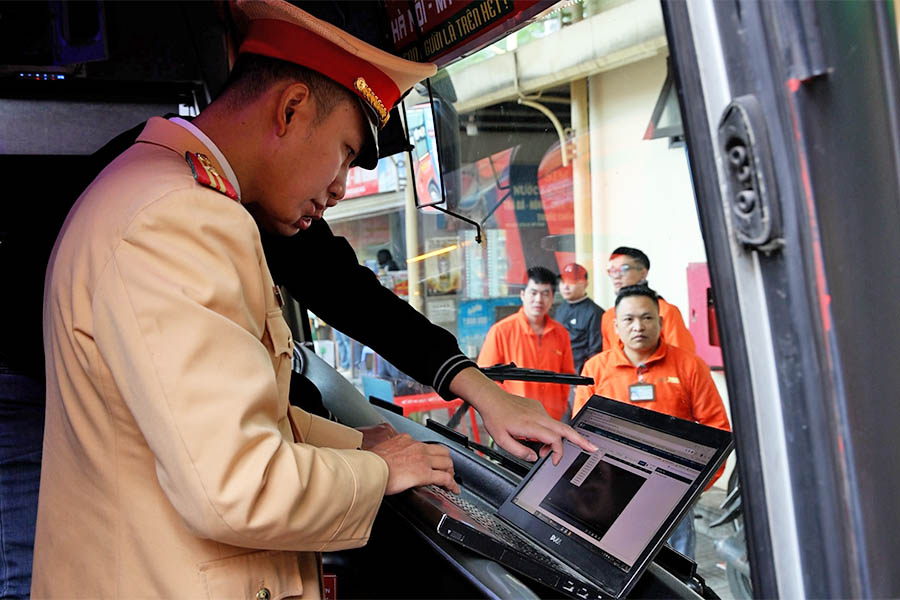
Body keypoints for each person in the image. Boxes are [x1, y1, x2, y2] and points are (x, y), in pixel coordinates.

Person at [33, 2, 595, 597]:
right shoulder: (180, 218)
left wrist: (357, 443)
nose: (341, 187)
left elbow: (220, 414)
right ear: (291, 108)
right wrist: (377, 471)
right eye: (346, 152)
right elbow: (237, 486)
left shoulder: (153, 186)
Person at [574, 285, 730, 557]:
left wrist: (694, 489)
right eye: (629, 319)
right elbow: (582, 435)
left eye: (647, 318)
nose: (638, 326)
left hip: (670, 495)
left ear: (660, 322)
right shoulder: (596, 369)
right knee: (612, 562)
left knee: (677, 569)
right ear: (616, 326)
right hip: (610, 493)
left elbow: (717, 429)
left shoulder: (689, 366)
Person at [478, 267, 576, 421]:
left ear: (552, 298)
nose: (539, 300)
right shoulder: (501, 331)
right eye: (533, 293)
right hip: (513, 420)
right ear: (522, 294)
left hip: (552, 420)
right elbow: (484, 379)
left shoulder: (561, 333)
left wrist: (561, 406)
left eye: (545, 294)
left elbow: (567, 376)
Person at [600, 246, 697, 353]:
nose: (616, 276)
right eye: (612, 270)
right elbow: (608, 359)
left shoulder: (666, 311)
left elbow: (683, 357)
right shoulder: (609, 317)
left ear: (643, 273)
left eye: (624, 269)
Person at [554, 262, 605, 374]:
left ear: (584, 284)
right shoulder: (560, 309)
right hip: (558, 372)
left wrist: (585, 377)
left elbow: (596, 351)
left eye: (571, 282)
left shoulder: (595, 313)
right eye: (563, 282)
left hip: (579, 375)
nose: (565, 286)